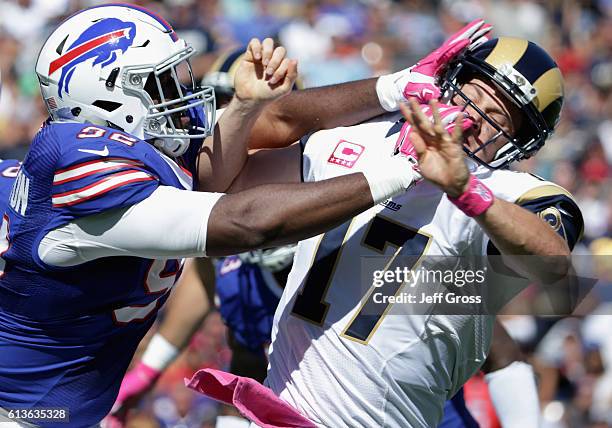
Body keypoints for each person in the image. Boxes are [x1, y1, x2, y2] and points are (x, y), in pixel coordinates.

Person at [0, 4, 427, 427]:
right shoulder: (81, 172)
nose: (180, 94)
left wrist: (396, 87)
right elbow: (243, 223)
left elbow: (274, 121)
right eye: (160, 82)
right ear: (107, 93)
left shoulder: (131, 149)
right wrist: (400, 169)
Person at [190, 37, 583, 428]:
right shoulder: (364, 140)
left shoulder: (510, 193)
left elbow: (551, 261)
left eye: (498, 114)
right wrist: (244, 107)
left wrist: (467, 191)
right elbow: (215, 185)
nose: (474, 116)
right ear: (449, 81)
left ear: (518, 142)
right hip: (283, 405)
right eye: (472, 93)